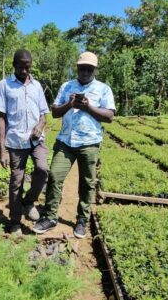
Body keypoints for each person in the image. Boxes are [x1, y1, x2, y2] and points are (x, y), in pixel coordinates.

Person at [32, 52, 115, 238]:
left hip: (90, 143)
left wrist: (88, 107)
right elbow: (54, 112)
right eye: (82, 68)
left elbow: (109, 116)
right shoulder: (67, 86)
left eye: (89, 68)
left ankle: (82, 220)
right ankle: (50, 216)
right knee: (54, 175)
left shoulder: (103, 89)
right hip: (66, 142)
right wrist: (69, 104)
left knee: (87, 182)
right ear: (77, 68)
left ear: (94, 70)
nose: (85, 71)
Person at [0, 49, 49, 236]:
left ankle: (29, 201)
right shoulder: (5, 85)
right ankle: (15, 221)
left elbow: (43, 114)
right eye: (20, 67)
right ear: (14, 65)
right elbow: (0, 118)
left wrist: (40, 126)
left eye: (27, 67)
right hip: (16, 141)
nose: (25, 71)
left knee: (42, 169)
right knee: (16, 181)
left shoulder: (37, 86)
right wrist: (2, 150)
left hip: (36, 140)